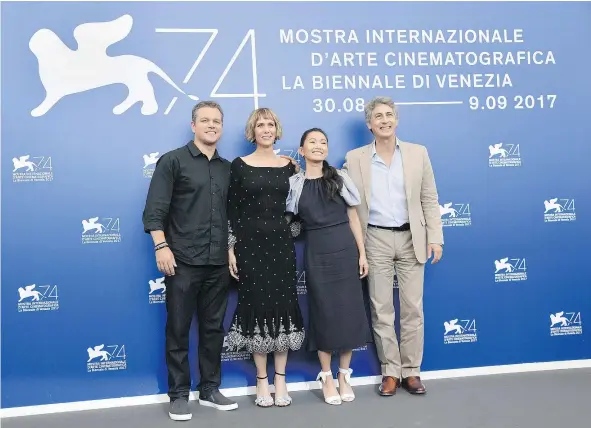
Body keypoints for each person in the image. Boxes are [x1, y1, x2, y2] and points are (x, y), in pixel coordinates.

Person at [142, 101, 238, 421]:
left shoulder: (227, 168)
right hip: (181, 260)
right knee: (178, 329)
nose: (212, 125)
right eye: (205, 120)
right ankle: (179, 394)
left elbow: (232, 216)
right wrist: (161, 247)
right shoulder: (173, 161)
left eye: (217, 121)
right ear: (193, 125)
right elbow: (155, 209)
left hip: (217, 262)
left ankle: (209, 389)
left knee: (213, 329)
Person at [342, 96, 443, 396]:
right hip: (375, 238)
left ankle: (411, 371)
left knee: (413, 308)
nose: (384, 120)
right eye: (378, 116)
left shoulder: (417, 153)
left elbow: (429, 197)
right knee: (381, 308)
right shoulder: (354, 158)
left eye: (389, 115)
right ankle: (391, 371)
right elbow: (344, 197)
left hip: (413, 237)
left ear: (396, 120)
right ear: (369, 124)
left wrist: (435, 236)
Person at [285, 128, 372, 405]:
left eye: (323, 142)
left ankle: (344, 374)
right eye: (312, 142)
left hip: (345, 249)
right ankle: (327, 377)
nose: (319, 146)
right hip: (317, 252)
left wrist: (362, 254)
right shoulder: (295, 184)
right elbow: (288, 220)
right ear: (302, 150)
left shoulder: (340, 177)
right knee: (324, 313)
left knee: (347, 312)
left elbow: (353, 218)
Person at [225, 108, 305, 408]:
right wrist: (230, 248)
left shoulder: (290, 167)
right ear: (252, 131)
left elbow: (297, 208)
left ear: (277, 129)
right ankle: (262, 380)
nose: (266, 129)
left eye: (270, 124)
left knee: (282, 307)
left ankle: (281, 379)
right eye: (260, 124)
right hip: (249, 248)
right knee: (256, 307)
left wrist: (289, 229)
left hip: (281, 248)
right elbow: (231, 210)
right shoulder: (239, 166)